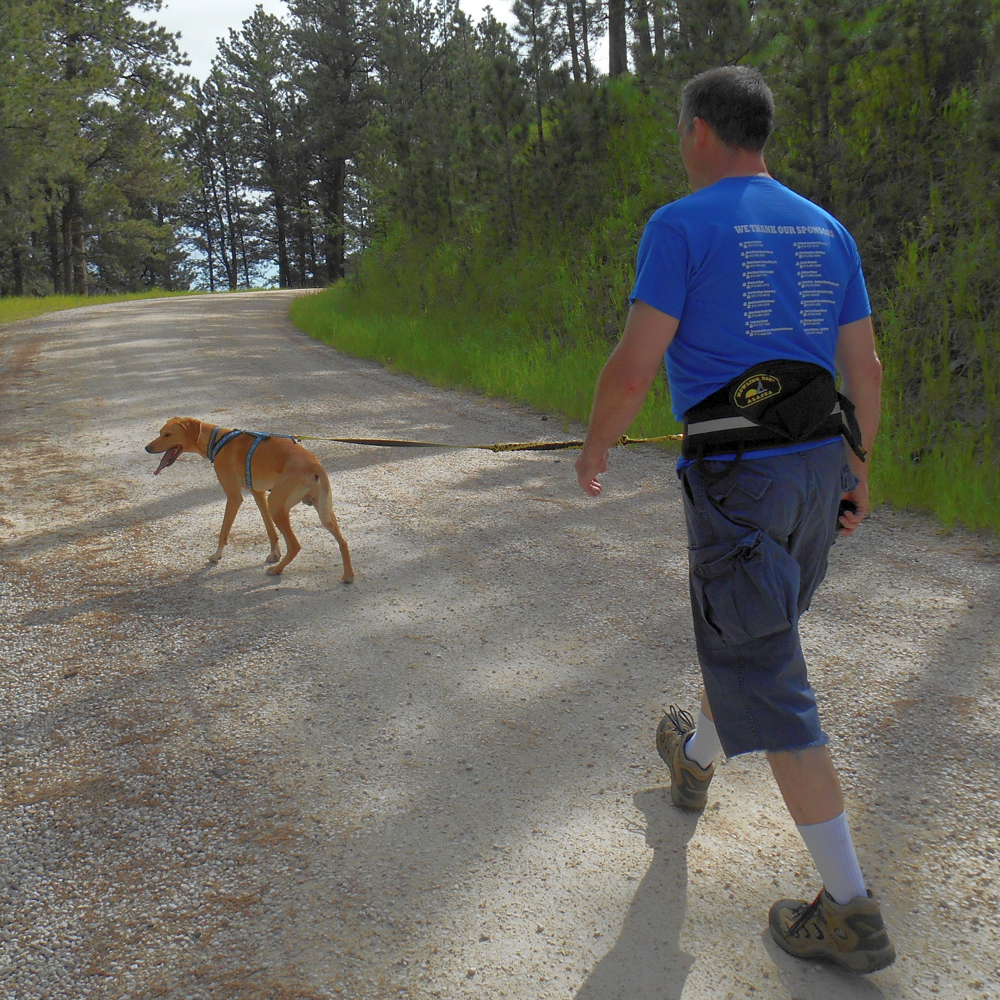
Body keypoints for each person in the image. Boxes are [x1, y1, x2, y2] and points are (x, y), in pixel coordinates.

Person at [574, 66, 894, 975]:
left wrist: (596, 447)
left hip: (741, 481)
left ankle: (848, 907)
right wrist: (859, 468)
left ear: (700, 132)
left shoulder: (679, 225)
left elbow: (634, 367)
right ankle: (695, 759)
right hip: (819, 466)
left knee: (769, 670)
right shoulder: (826, 227)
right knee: (757, 631)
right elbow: (865, 368)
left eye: (681, 131)